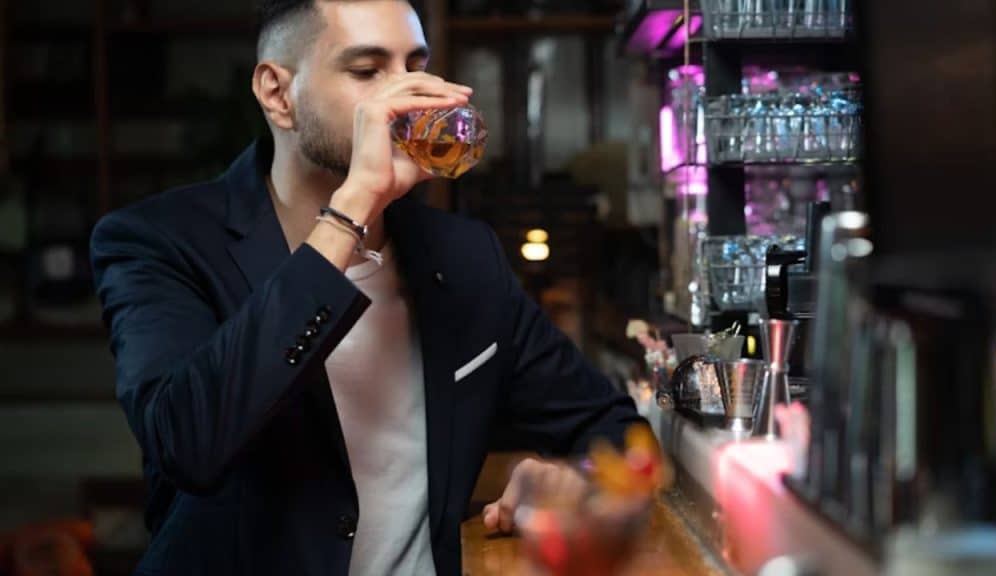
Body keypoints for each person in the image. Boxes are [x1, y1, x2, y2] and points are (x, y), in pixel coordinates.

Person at [89, 1, 644, 574]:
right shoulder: (157, 241)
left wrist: (568, 480)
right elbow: (188, 443)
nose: (402, 95)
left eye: (414, 66)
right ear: (278, 94)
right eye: (366, 71)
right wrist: (351, 210)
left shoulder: (463, 257)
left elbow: (616, 432)